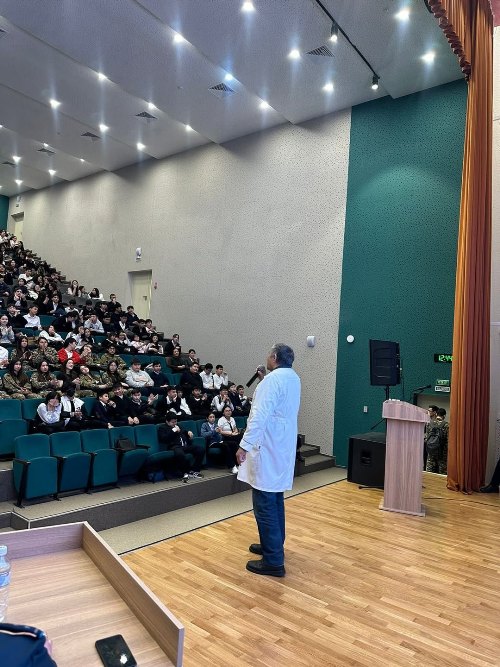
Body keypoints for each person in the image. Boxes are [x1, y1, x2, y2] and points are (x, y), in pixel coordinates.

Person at [236, 343, 301, 577]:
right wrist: (264, 381)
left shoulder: (271, 381)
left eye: (268, 355)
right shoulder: (293, 378)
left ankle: (273, 560)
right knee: (275, 499)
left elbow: (259, 416)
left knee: (264, 504)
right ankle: (273, 545)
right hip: (281, 446)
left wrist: (244, 445)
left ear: (274, 357)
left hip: (269, 446)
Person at [158, 411, 205, 482]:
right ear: (167, 421)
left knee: (201, 449)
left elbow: (184, 432)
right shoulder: (162, 428)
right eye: (172, 422)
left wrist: (189, 433)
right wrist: (173, 431)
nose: (175, 423)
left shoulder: (178, 425)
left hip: (185, 446)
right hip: (174, 446)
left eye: (175, 421)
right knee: (180, 454)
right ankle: (185, 472)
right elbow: (164, 439)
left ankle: (194, 471)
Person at [217, 406, 242, 473]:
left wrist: (235, 432)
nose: (228, 412)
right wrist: (231, 433)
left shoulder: (232, 419)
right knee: (238, 439)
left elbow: (235, 428)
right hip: (225, 437)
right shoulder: (221, 420)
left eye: (229, 410)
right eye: (226, 411)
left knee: (241, 436)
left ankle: (242, 461)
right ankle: (237, 463)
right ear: (223, 412)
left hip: (233, 436)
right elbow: (220, 431)